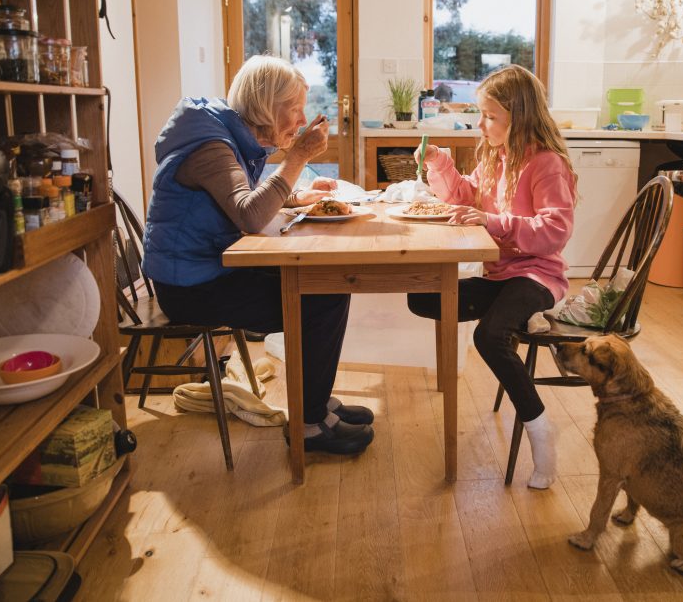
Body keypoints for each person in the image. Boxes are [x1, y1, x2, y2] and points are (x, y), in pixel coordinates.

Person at [141, 54, 373, 455]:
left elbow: (243, 200)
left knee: (326, 285)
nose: (301, 121)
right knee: (321, 299)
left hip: (208, 268)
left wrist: (299, 196)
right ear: (266, 106)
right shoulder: (210, 147)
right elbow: (249, 214)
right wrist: (297, 158)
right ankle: (309, 424)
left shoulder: (225, 137)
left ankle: (313, 403)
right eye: (294, 109)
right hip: (189, 287)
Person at [407, 64, 577, 489]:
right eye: (480, 114)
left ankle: (540, 431)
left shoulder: (546, 164)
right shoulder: (498, 158)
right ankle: (519, 317)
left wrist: (496, 222)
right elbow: (466, 197)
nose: (480, 124)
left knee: (489, 336)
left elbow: (554, 231)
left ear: (517, 118)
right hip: (501, 274)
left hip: (537, 275)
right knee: (422, 296)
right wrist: (439, 162)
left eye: (489, 116)